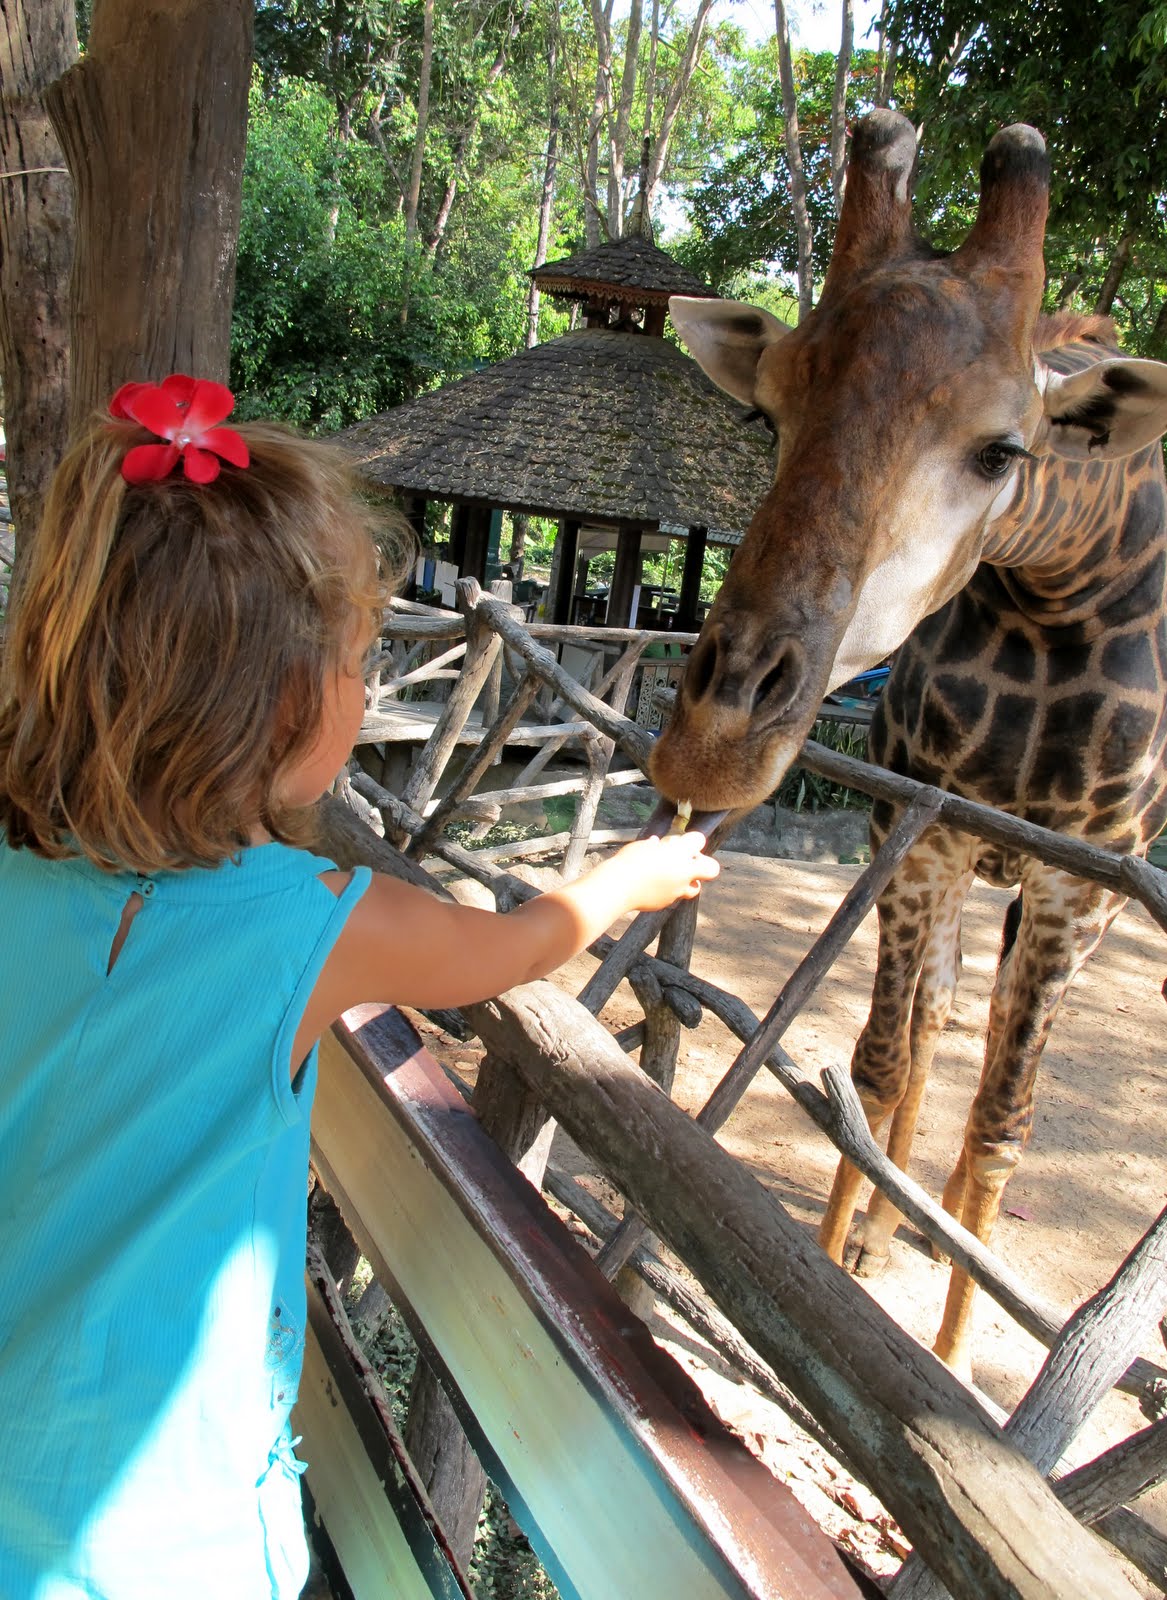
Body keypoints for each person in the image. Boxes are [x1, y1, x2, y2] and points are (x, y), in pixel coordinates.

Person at [0, 376, 717, 1600]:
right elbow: (511, 950)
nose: (368, 686)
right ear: (279, 703)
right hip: (168, 1537)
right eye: (358, 658)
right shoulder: (314, 926)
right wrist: (623, 883)